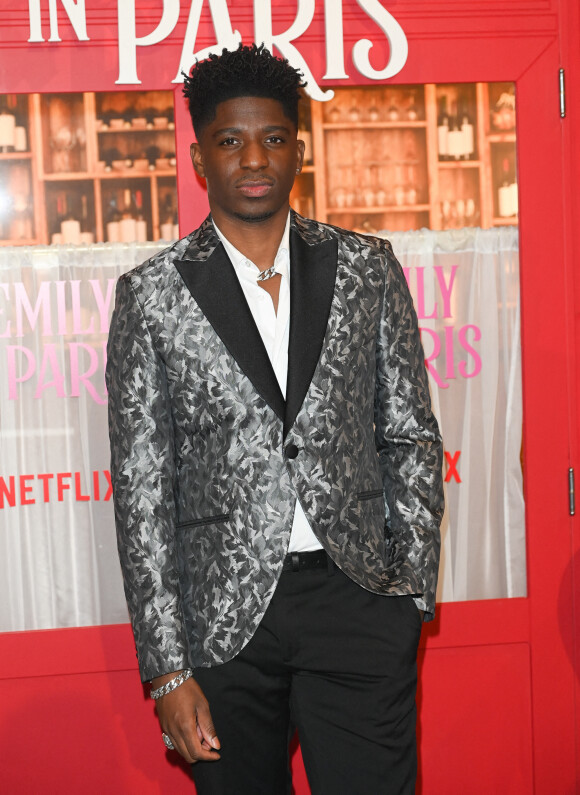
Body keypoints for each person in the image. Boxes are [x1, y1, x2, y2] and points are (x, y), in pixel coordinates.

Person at [106, 43, 444, 795]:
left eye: (274, 137)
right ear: (200, 159)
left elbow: (410, 434)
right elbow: (142, 494)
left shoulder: (366, 267)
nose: (253, 158)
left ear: (300, 147)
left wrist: (408, 591)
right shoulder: (151, 298)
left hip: (357, 601)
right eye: (230, 141)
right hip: (222, 626)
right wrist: (166, 668)